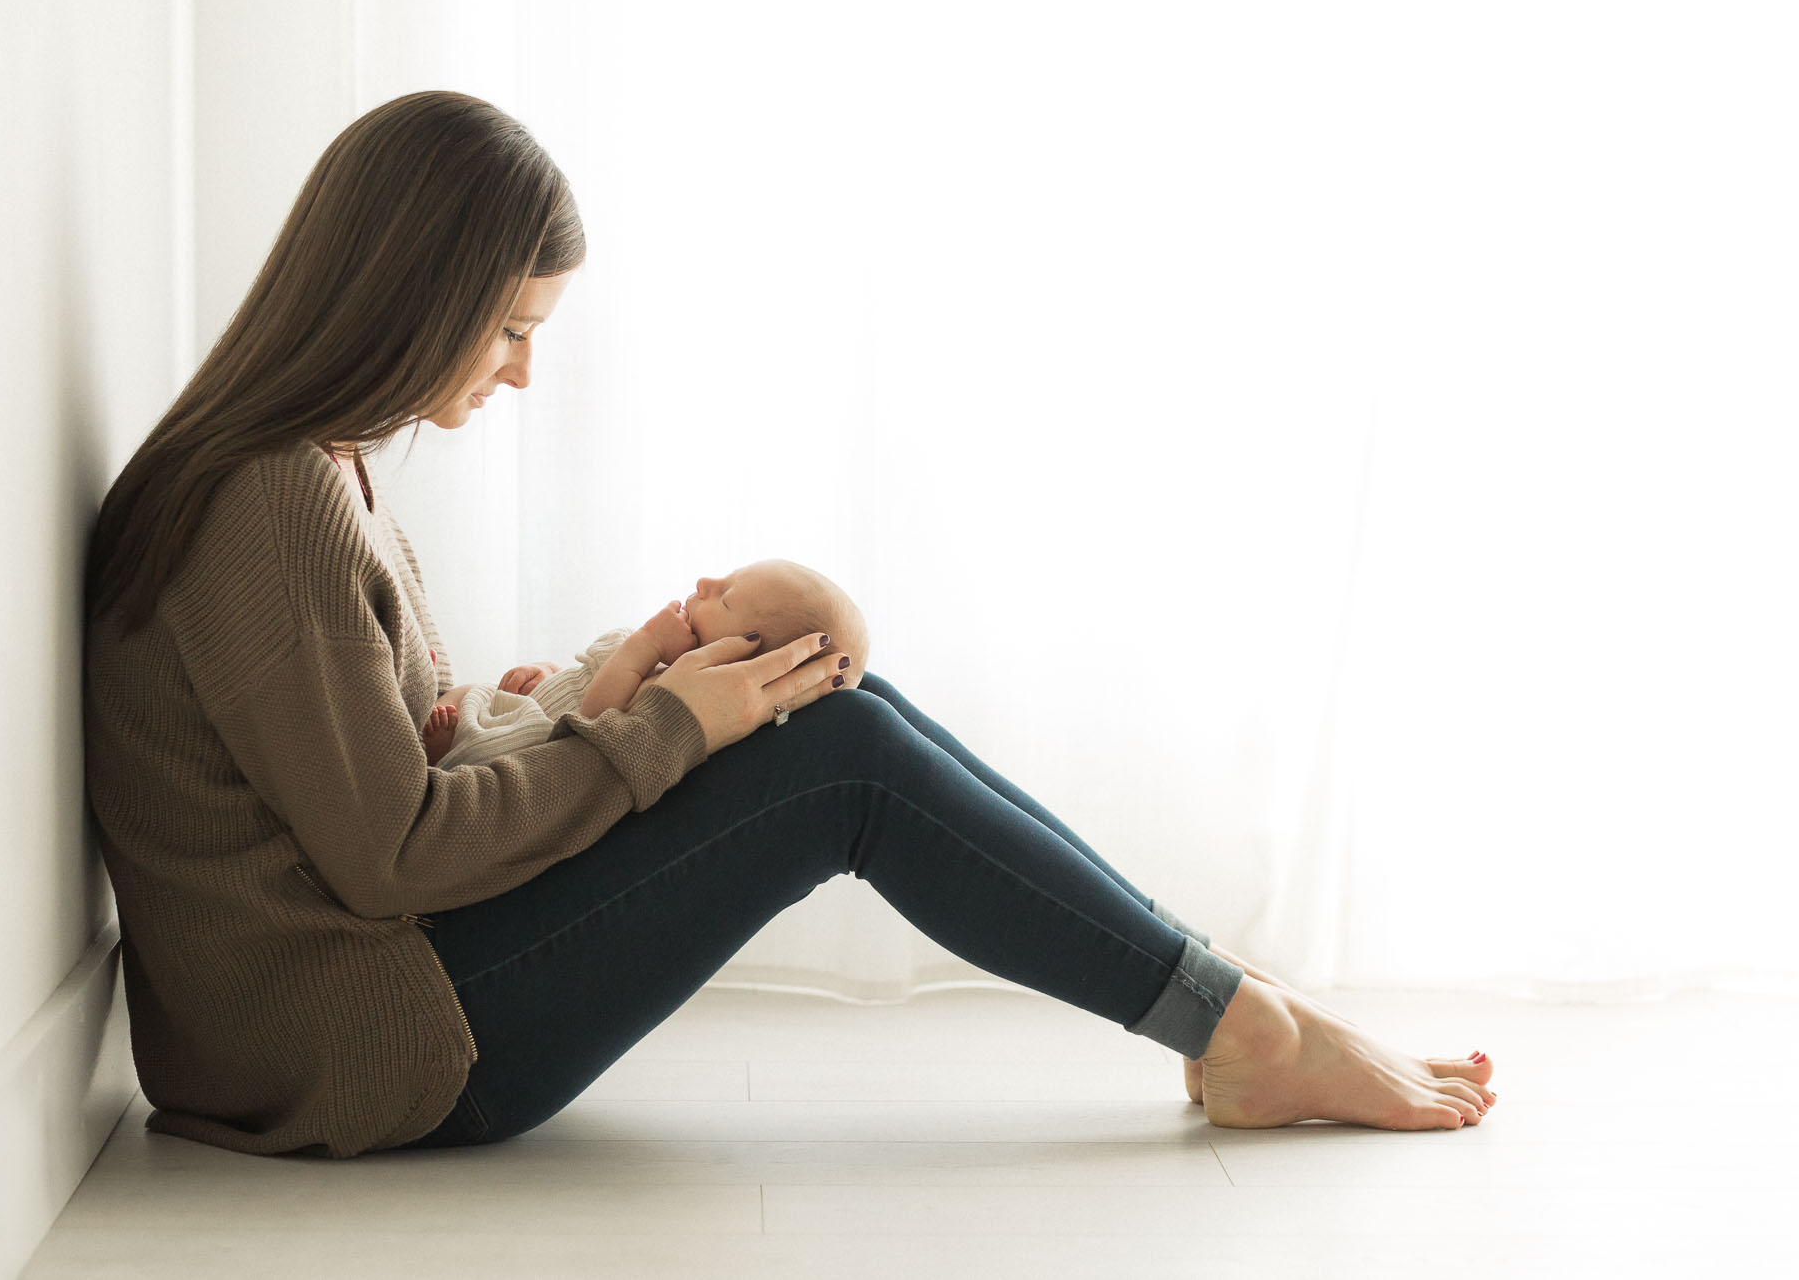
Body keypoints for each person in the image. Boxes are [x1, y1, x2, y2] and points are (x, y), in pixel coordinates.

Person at [81, 90, 1497, 1160]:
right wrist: (659, 730)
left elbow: (413, 769)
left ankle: (1226, 1000)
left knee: (841, 723)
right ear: (410, 296)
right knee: (841, 769)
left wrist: (623, 688)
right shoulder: (271, 499)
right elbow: (393, 857)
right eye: (509, 329)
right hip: (357, 1046)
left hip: (341, 1005)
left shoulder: (311, 468)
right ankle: (1246, 1027)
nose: (520, 375)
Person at [417, 559, 869, 767]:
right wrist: (547, 675)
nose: (704, 581)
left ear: (742, 659)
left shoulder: (667, 694)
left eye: (725, 598)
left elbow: (591, 720)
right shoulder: (662, 670)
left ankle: (445, 751)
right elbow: (581, 684)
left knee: (498, 743)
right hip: (525, 710)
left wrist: (648, 642)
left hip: (531, 753)